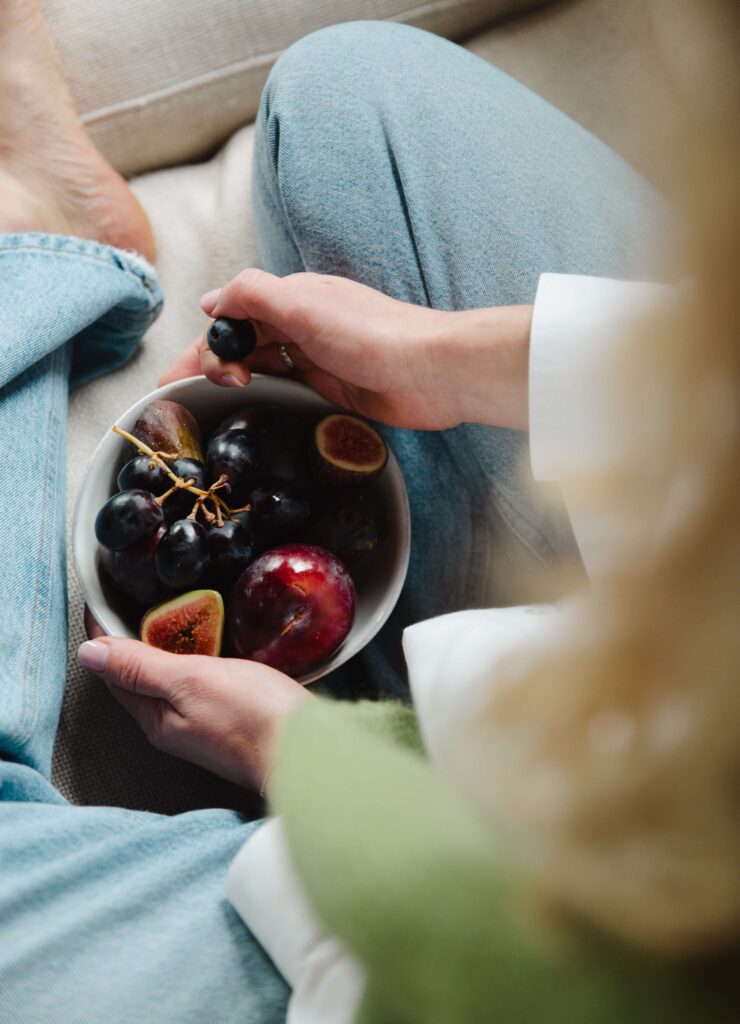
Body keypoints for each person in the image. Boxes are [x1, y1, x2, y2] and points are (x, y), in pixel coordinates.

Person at [2, 4, 736, 1022]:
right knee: (347, 101)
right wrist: (469, 362)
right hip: (647, 692)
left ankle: (30, 248)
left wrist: (299, 752)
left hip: (563, 946)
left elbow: (565, 965)